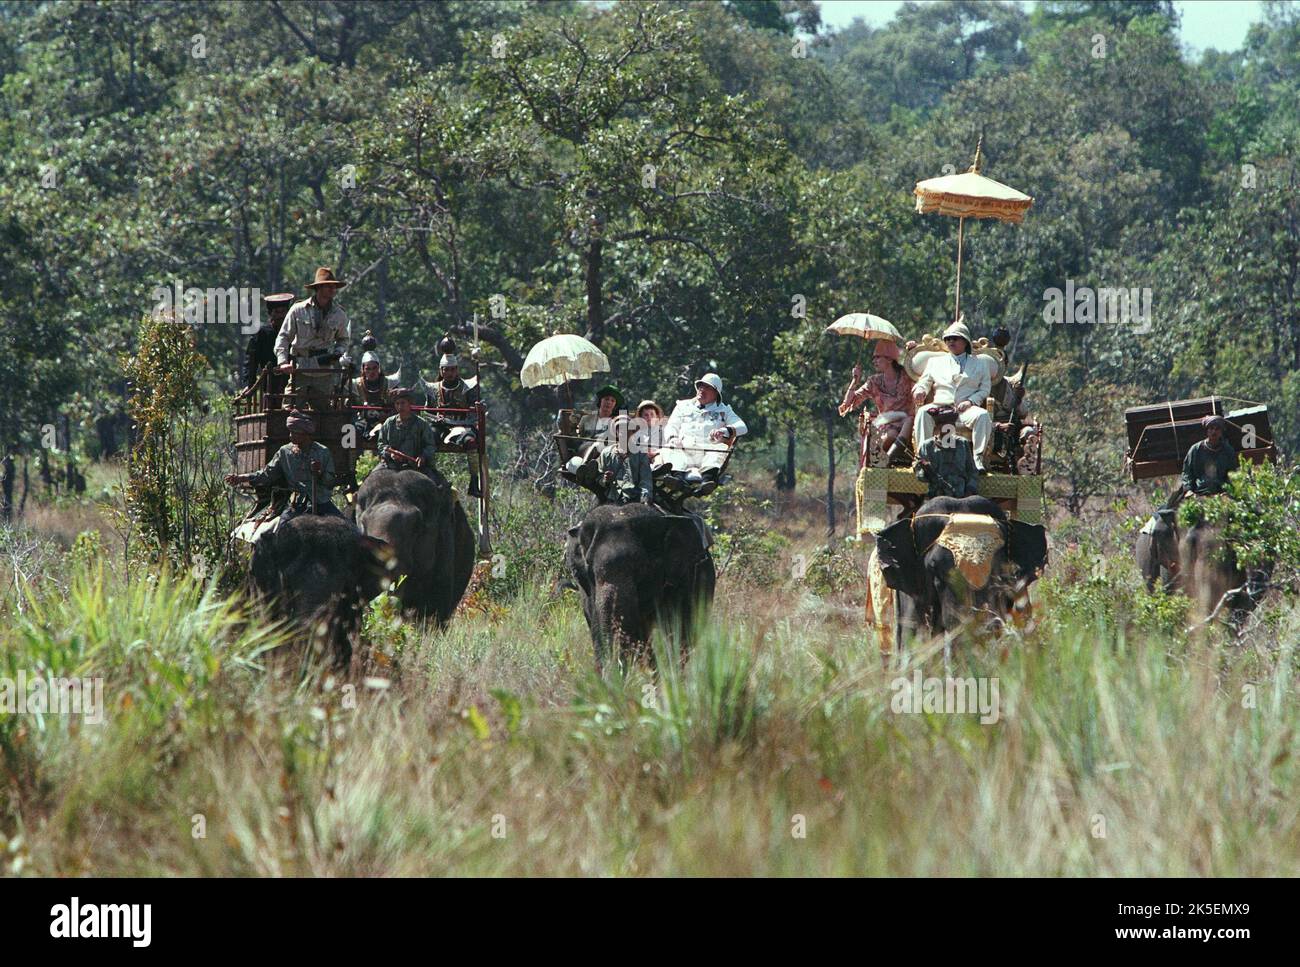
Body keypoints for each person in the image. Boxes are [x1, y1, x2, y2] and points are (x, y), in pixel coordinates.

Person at [225, 410, 342, 520]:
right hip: (296, 505)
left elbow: (330, 482)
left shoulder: (322, 452)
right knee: (280, 531)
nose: (290, 436)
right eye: (290, 432)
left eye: (295, 432)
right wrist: (241, 478)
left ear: (306, 434)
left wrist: (319, 473)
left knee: (347, 527)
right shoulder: (284, 452)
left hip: (320, 502)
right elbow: (267, 474)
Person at [912, 319, 993, 471]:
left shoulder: (980, 364)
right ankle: (923, 459)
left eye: (954, 338)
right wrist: (920, 390)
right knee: (923, 413)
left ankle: (977, 458)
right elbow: (924, 382)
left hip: (965, 410)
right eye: (947, 339)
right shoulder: (935, 362)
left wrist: (970, 401)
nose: (950, 342)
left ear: (965, 341)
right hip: (940, 407)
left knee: (983, 416)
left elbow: (985, 389)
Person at [275, 267, 351, 410]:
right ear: (319, 288)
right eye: (328, 286)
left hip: (324, 369)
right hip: (300, 368)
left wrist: (338, 352)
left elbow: (343, 339)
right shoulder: (298, 310)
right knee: (289, 410)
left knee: (324, 413)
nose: (332, 289)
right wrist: (283, 362)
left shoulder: (339, 314)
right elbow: (284, 336)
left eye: (334, 286)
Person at [657, 373, 747, 479]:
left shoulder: (725, 410)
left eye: (707, 387)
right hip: (683, 452)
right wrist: (673, 438)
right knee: (669, 448)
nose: (702, 390)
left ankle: (707, 480)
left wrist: (724, 431)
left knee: (720, 448)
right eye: (701, 386)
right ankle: (677, 478)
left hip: (707, 455)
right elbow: (672, 425)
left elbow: (742, 427)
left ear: (716, 393)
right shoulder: (683, 406)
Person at [839, 340, 915, 465]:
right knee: (891, 434)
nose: (874, 361)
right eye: (873, 358)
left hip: (908, 425)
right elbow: (848, 403)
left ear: (890, 359)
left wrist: (913, 350)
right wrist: (854, 380)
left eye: (878, 357)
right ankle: (888, 460)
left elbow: (921, 371)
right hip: (887, 427)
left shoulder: (907, 375)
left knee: (909, 420)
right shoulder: (874, 382)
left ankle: (888, 459)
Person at [429, 353, 483, 497]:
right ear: (441, 371)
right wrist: (436, 417)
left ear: (457, 370)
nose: (449, 373)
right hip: (441, 426)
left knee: (471, 442)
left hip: (463, 425)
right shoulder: (434, 388)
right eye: (446, 370)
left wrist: (476, 408)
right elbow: (427, 411)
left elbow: (474, 411)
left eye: (452, 369)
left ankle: (473, 482)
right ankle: (428, 476)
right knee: (426, 438)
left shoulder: (468, 387)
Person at [913, 405, 979, 499]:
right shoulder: (927, 446)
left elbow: (972, 471)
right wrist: (924, 470)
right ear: (938, 426)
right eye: (945, 425)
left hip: (960, 496)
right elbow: (920, 474)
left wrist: (969, 491)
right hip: (935, 497)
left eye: (951, 425)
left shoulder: (962, 444)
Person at [375, 388, 438, 477]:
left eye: (403, 403)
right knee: (370, 479)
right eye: (397, 404)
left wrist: (423, 456)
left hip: (415, 465)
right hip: (391, 465)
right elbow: (381, 444)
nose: (400, 407)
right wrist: (391, 453)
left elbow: (430, 445)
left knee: (439, 485)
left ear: (410, 403)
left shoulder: (422, 424)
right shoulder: (389, 423)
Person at [596, 416, 653, 505]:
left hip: (634, 500)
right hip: (612, 498)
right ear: (616, 432)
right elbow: (599, 476)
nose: (623, 433)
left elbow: (646, 481)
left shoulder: (640, 455)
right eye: (620, 429)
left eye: (626, 429)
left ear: (632, 432)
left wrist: (644, 498)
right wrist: (605, 479)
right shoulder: (606, 453)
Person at [243, 292, 295, 388]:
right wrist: (249, 384)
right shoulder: (262, 334)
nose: (280, 316)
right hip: (270, 385)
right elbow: (251, 361)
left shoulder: (295, 332)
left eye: (283, 312)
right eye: (276, 312)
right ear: (270, 314)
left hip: (295, 382)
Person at [1181, 414, 1238, 497]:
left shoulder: (1228, 450)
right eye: (1211, 429)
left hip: (1221, 493)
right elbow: (1187, 472)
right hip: (1199, 493)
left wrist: (1228, 490)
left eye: (1217, 429)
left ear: (1221, 432)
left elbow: (1232, 473)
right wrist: (1188, 489)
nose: (1214, 432)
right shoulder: (1196, 449)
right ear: (1207, 431)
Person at [349, 351, 392, 438]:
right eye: (368, 369)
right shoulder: (356, 384)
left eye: (374, 368)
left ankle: (386, 451)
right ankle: (351, 452)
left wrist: (387, 415)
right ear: (363, 370)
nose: (372, 371)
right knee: (348, 429)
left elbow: (395, 406)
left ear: (379, 368)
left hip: (383, 422)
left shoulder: (389, 383)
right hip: (361, 421)